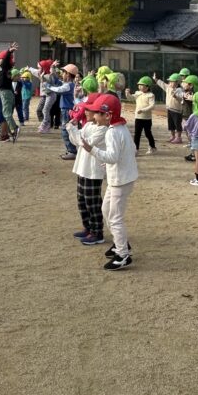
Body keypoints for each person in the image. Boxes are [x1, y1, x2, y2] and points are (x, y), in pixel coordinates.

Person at [80, 93, 137, 271]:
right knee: (106, 210)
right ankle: (121, 244)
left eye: (98, 113)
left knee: (114, 217)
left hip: (120, 180)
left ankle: (122, 255)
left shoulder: (113, 132)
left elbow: (112, 156)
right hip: (119, 178)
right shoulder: (121, 128)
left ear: (108, 115)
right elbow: (131, 149)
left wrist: (92, 150)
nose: (94, 116)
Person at [66, 94, 108, 246]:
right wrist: (72, 129)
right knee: (82, 200)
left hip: (93, 170)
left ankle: (97, 232)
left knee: (93, 201)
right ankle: (88, 227)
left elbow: (85, 143)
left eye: (90, 111)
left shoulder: (103, 129)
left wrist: (72, 129)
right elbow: (76, 141)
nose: (86, 113)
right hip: (82, 167)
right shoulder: (89, 125)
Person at [48, 63, 79, 159]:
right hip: (67, 110)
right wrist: (52, 69)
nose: (62, 74)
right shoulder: (70, 84)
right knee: (69, 130)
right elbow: (57, 80)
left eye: (64, 73)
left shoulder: (68, 85)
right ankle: (71, 150)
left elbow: (58, 89)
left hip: (67, 110)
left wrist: (48, 86)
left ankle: (72, 151)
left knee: (66, 130)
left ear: (68, 75)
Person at [0, 43, 20, 142]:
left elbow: (4, 61)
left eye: (1, 59)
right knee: (5, 113)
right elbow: (0, 63)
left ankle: (15, 128)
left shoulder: (5, 67)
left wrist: (9, 51)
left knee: (6, 114)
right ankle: (9, 133)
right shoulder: (5, 68)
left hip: (5, 92)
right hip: (5, 92)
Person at [125, 76, 157, 155]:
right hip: (138, 118)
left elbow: (152, 106)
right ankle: (136, 149)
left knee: (148, 133)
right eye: (139, 85)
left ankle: (152, 147)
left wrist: (143, 110)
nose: (139, 86)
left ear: (147, 86)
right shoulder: (138, 93)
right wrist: (127, 93)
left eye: (142, 85)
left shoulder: (151, 95)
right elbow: (130, 98)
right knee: (137, 134)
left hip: (147, 118)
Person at [153, 72, 185, 144]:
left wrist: (176, 97)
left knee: (177, 124)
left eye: (171, 82)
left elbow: (181, 99)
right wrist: (156, 79)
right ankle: (173, 136)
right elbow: (162, 84)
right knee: (171, 124)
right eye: (169, 81)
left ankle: (178, 137)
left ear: (177, 82)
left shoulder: (180, 90)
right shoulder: (168, 87)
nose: (170, 83)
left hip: (177, 110)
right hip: (169, 109)